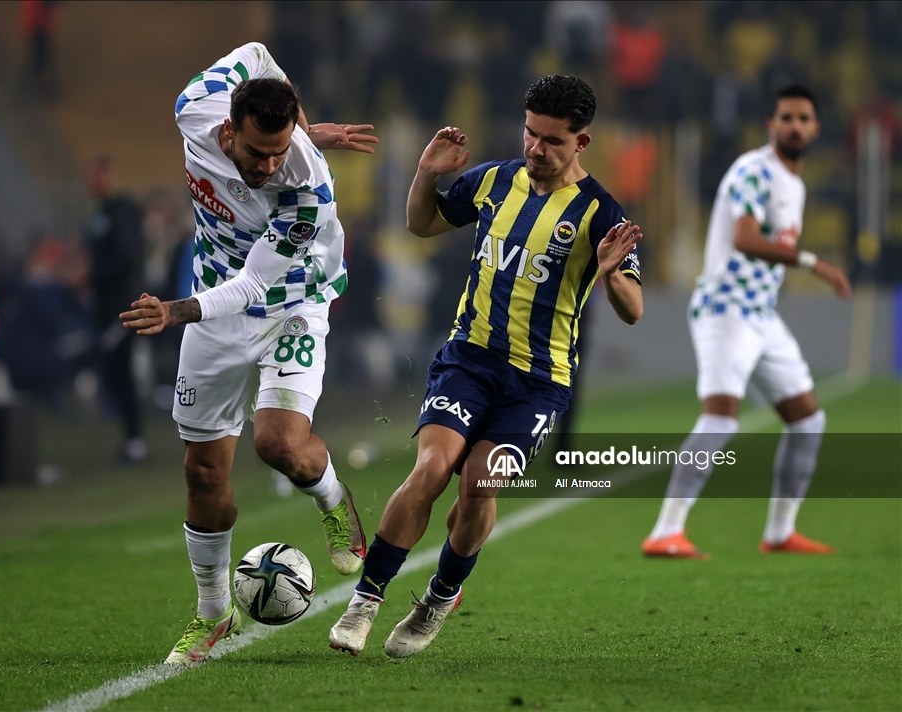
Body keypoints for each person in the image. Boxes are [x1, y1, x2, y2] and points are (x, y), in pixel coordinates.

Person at [329, 75, 644, 658]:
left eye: (552, 140)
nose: (536, 148)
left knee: (479, 485)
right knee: (431, 468)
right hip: (468, 359)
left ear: (582, 142)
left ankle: (439, 597)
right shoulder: (495, 180)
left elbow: (633, 310)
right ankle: (366, 601)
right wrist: (426, 174)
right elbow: (421, 224)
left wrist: (609, 272)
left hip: (538, 384)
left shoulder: (602, 213)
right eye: (530, 133)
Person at [119, 42, 378, 664]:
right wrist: (305, 127)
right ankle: (214, 613)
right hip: (215, 304)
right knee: (203, 471)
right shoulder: (193, 107)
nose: (269, 166)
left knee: (278, 445)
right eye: (259, 152)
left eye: (280, 151)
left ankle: (333, 500)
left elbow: (255, 285)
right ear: (228, 129)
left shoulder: (307, 185)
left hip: (292, 300)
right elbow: (258, 53)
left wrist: (174, 311)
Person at [641, 84, 851, 559]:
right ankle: (665, 531)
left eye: (803, 119)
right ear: (771, 125)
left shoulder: (794, 185)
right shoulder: (754, 170)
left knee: (808, 420)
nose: (795, 126)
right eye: (786, 117)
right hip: (726, 307)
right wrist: (813, 262)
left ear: (815, 128)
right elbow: (745, 238)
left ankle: (779, 533)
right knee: (720, 416)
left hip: (761, 314)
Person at [84, 157, 148, 463]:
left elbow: (125, 257)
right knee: (117, 373)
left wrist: (91, 274)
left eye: (98, 177)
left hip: (122, 308)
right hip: (110, 307)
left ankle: (135, 440)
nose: (92, 183)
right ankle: (132, 438)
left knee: (122, 373)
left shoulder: (121, 212)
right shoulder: (102, 213)